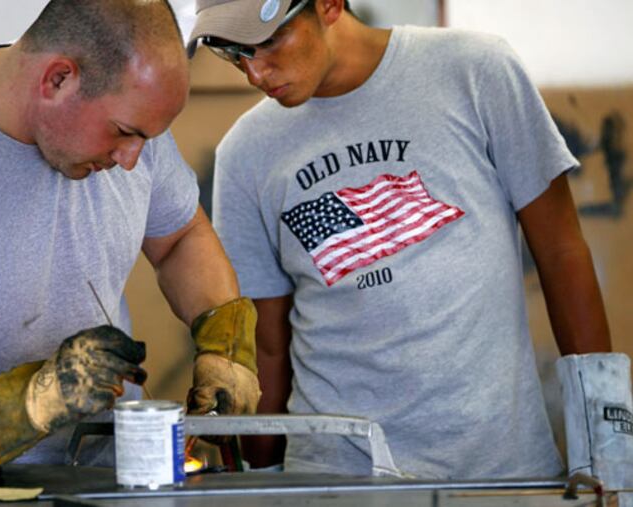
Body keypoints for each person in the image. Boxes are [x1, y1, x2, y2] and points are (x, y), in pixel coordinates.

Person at [187, 0, 613, 479]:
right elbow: (268, 341)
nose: (255, 73)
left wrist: (606, 440)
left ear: (328, 5)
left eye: (266, 43)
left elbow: (561, 253)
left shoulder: (474, 71)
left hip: (496, 468)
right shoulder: (246, 152)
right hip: (337, 477)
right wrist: (262, 477)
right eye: (233, 53)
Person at [0, 0, 260, 466]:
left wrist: (224, 344)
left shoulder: (131, 125)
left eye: (146, 140)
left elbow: (179, 237)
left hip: (100, 473)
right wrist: (25, 404)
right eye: (122, 132)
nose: (131, 160)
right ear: (58, 79)